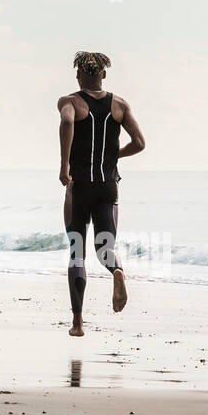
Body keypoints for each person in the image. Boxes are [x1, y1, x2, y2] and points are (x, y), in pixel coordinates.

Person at [57, 51, 146, 336]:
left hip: (79, 186)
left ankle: (78, 323)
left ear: (78, 75)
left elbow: (68, 122)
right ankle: (117, 271)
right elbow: (140, 143)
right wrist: (113, 156)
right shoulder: (119, 105)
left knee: (76, 254)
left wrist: (64, 166)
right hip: (108, 187)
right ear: (103, 75)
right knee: (105, 247)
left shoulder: (70, 101)